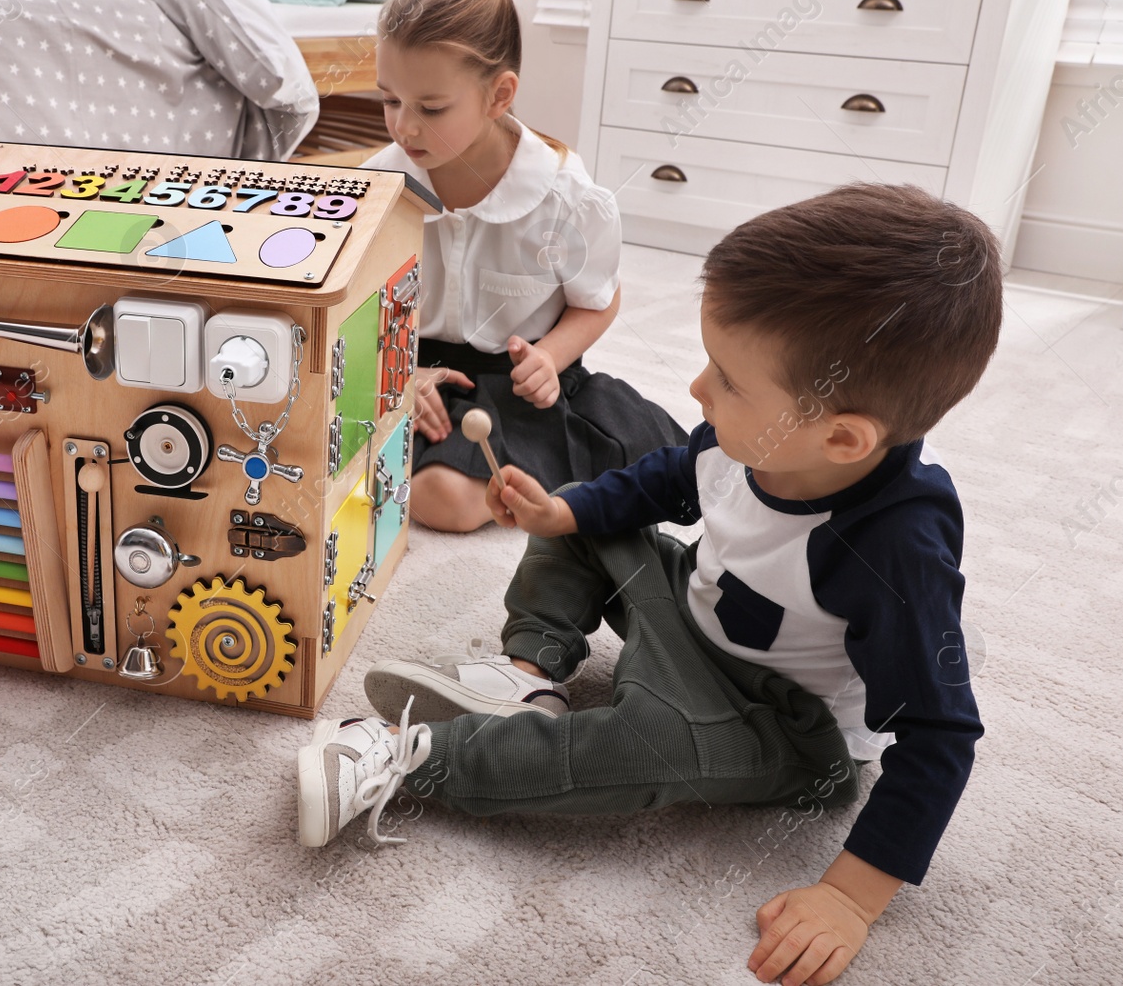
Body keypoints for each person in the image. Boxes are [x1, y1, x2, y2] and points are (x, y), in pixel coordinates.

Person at [297, 183, 1004, 986]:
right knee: (589, 517)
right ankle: (529, 673)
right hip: (699, 613)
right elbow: (666, 480)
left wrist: (850, 896)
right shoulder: (753, 438)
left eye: (729, 380)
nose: (699, 389)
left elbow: (941, 736)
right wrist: (562, 511)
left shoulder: (899, 546)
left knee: (642, 747)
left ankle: (411, 757)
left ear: (842, 437)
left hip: (776, 718)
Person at [362, 0, 684, 533]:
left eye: (430, 108)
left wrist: (551, 359)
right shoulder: (376, 184)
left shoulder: (567, 198)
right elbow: (355, 306)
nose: (403, 127)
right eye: (389, 100)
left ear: (499, 95)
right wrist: (399, 376)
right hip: (414, 373)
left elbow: (600, 298)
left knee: (445, 502)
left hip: (520, 381)